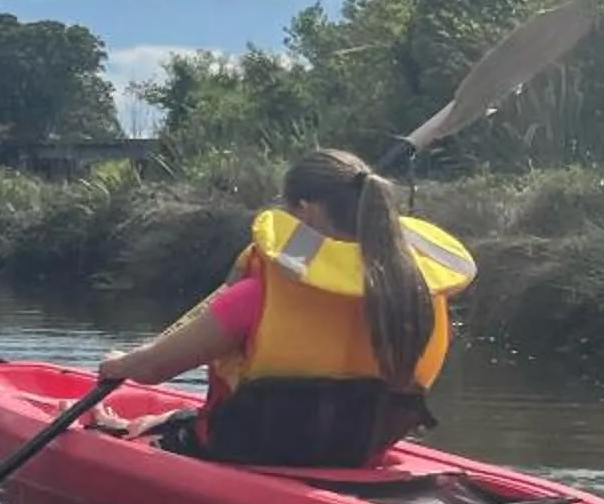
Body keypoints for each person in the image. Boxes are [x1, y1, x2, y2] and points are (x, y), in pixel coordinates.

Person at [91, 147, 477, 468]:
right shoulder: (413, 297)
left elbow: (155, 369)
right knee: (169, 420)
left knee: (163, 426)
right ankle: (150, 423)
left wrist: (118, 363)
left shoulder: (257, 296)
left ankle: (127, 429)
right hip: (356, 453)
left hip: (249, 451)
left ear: (304, 210)